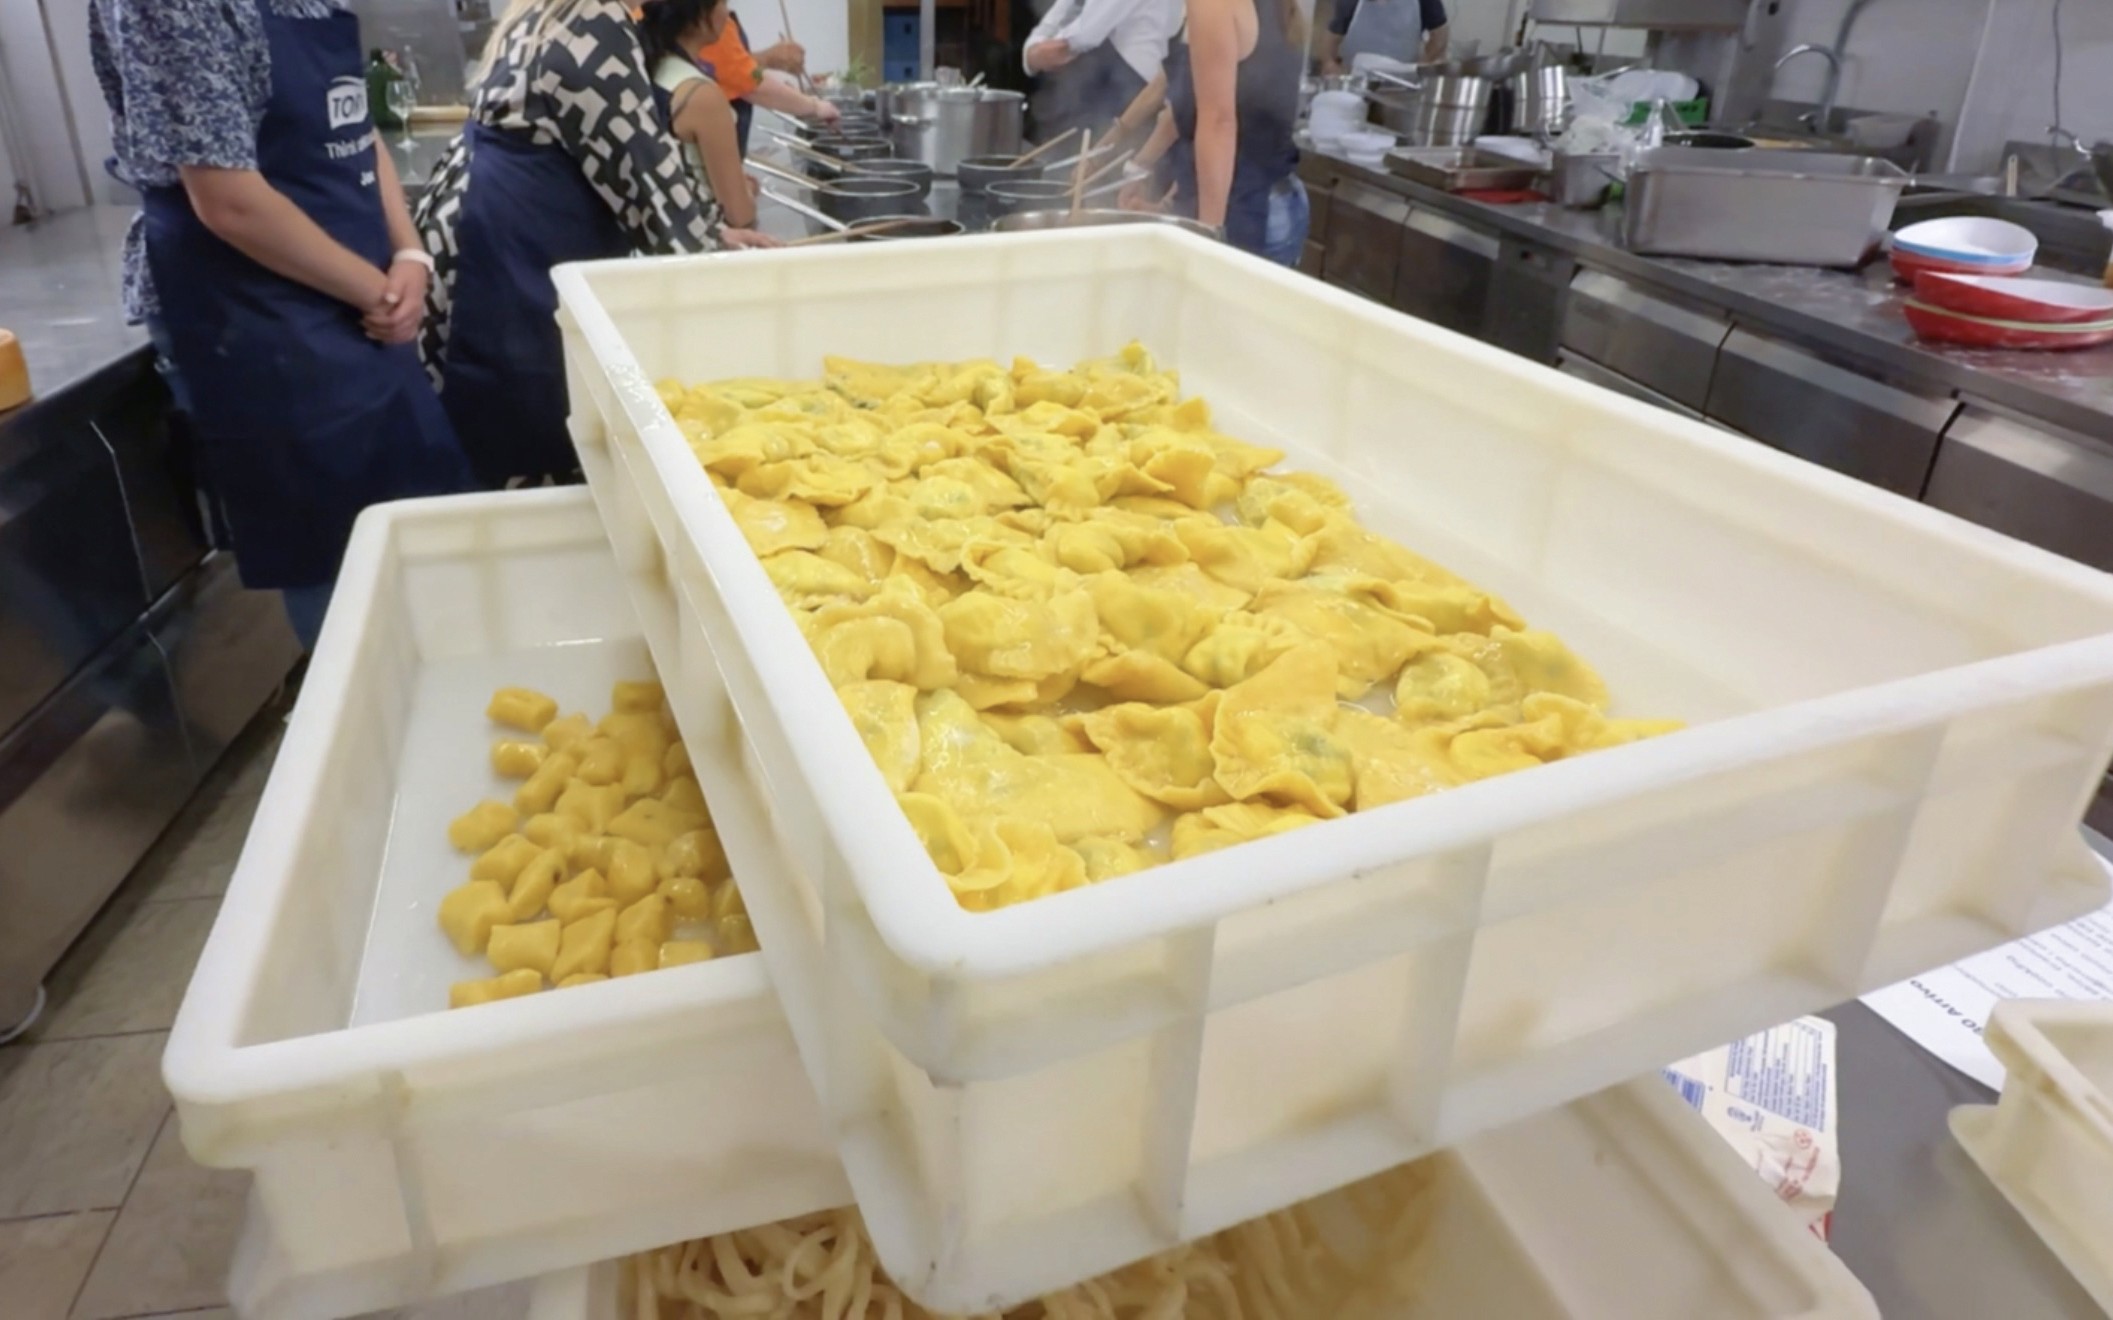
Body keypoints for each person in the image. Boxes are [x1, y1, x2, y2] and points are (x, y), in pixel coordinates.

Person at [88, 0, 472, 650]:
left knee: (420, 524)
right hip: (250, 308)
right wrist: (375, 290)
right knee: (338, 565)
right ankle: (368, 737)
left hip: (354, 291)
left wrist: (406, 251)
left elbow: (351, 122)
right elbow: (228, 200)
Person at [415, 0, 736, 490]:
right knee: (524, 432)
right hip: (508, 254)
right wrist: (712, 247)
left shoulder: (544, 9)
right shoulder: (591, 20)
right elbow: (641, 167)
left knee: (486, 437)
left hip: (484, 229)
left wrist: (712, 227)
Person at [1121, 0, 1308, 265]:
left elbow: (1219, 124)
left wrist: (1207, 239)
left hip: (1244, 213)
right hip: (1279, 203)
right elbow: (1213, 111)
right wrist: (1165, 200)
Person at [637, 0, 777, 236]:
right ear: (700, 17)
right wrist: (747, 190)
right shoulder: (703, 96)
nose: (727, 14)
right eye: (722, 3)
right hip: (702, 243)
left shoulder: (655, 69)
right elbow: (738, 215)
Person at [1022, 0, 1184, 143]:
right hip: (1139, 82)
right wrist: (1035, 44)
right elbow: (1067, 8)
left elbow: (1083, 36)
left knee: (1101, 165)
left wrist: (1034, 52)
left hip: (1130, 87)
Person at [695, 10, 840, 156]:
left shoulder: (716, 17)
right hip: (707, 149)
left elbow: (743, 71)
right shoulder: (711, 18)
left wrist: (767, 60)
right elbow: (751, 82)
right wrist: (814, 106)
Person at [1318, 0, 1448, 75]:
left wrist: (1422, 65)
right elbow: (1331, 38)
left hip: (1401, 84)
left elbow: (1440, 36)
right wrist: (1329, 63)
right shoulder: (1349, 2)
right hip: (1357, 80)